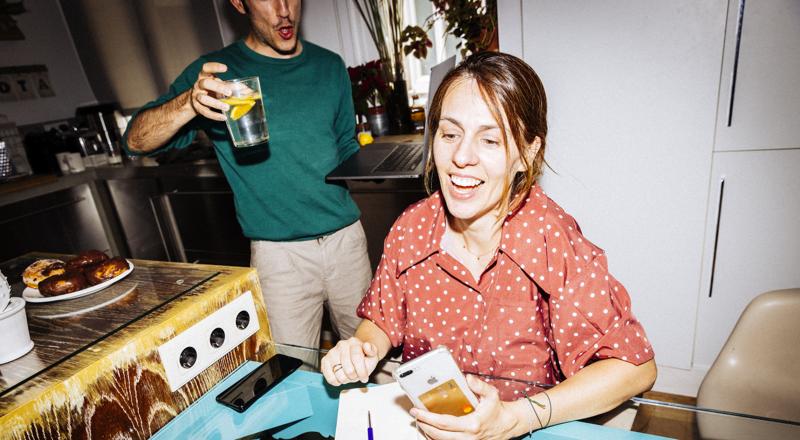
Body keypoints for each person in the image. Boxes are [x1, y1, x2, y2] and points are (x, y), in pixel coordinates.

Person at [320, 52, 657, 439]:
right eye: (450, 134)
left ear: (527, 153)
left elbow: (635, 368)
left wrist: (516, 418)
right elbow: (382, 319)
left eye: (490, 139)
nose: (461, 157)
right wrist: (363, 347)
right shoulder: (411, 228)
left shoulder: (551, 238)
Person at [123, 0, 371, 350]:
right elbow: (135, 141)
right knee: (293, 368)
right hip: (279, 258)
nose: (284, 10)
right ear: (239, 4)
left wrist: (378, 164)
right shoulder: (217, 75)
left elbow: (346, 144)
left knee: (369, 356)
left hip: (347, 242)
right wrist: (189, 103)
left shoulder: (329, 65)